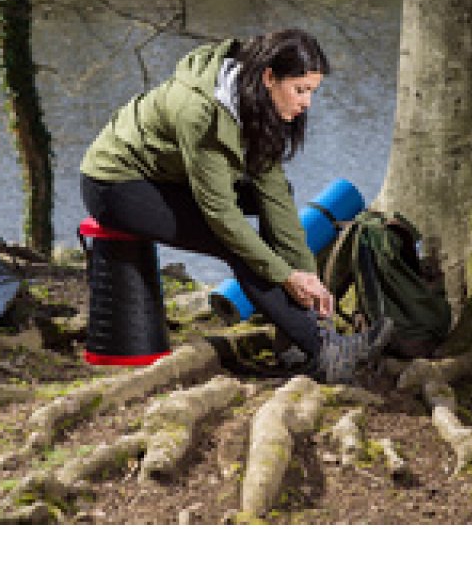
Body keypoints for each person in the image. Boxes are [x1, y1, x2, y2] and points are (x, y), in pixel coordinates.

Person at [79, 28, 393, 382]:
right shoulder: (201, 111)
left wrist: (308, 275)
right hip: (116, 185)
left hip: (167, 177)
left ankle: (296, 341)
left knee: (270, 201)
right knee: (238, 246)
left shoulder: (257, 101)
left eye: (312, 92)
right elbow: (222, 217)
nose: (307, 103)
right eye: (300, 90)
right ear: (269, 77)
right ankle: (325, 353)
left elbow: (274, 195)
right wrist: (285, 277)